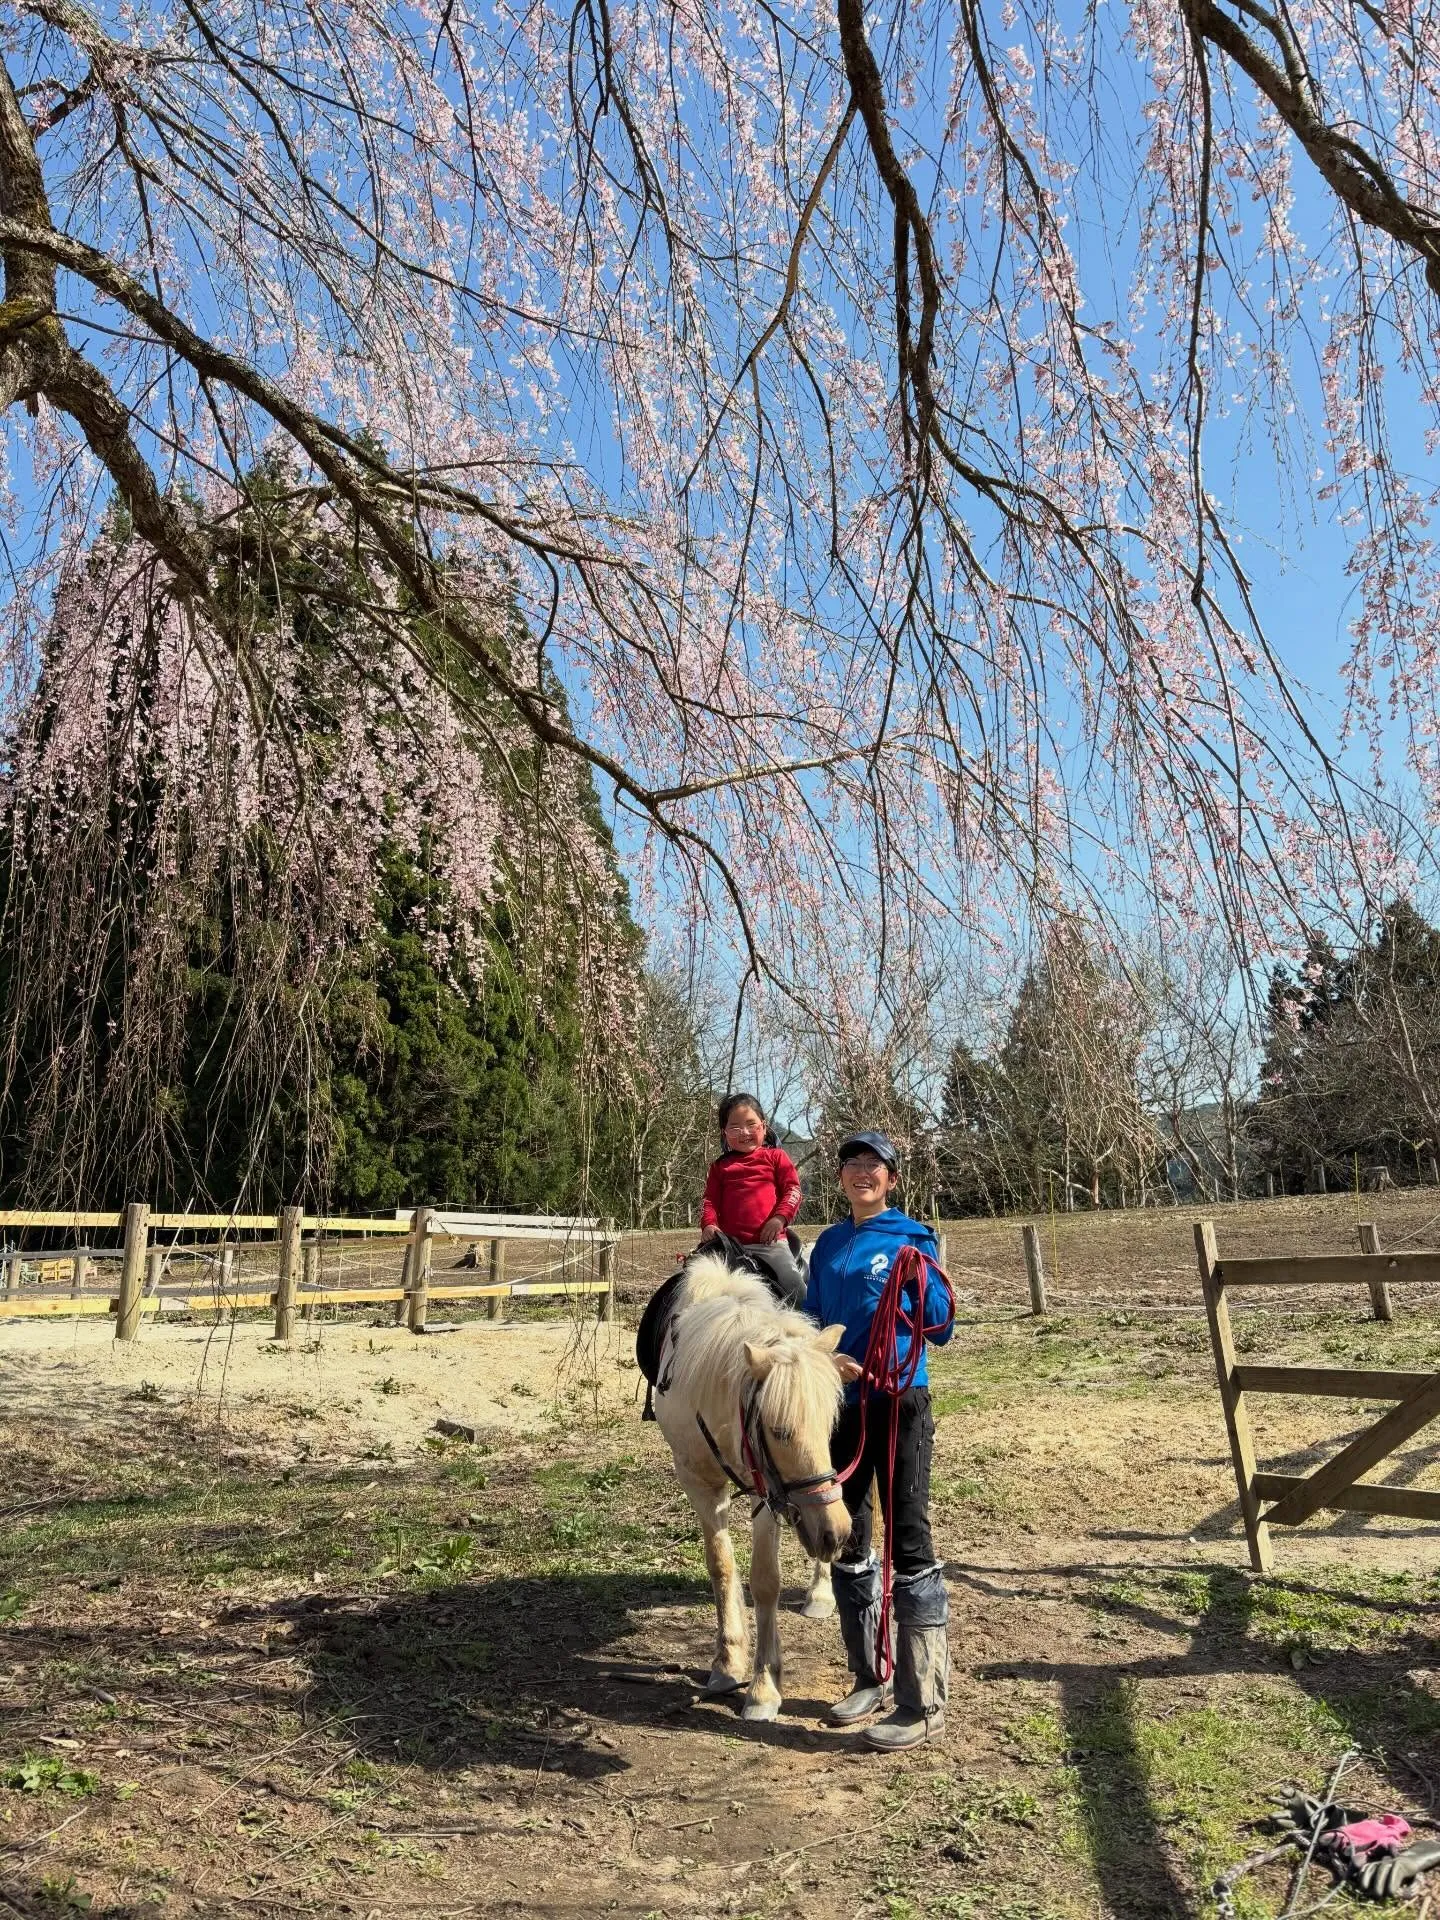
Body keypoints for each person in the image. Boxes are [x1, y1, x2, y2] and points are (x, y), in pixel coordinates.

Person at [804, 1130, 953, 1752]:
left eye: (874, 1164)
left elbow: (941, 1327)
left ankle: (923, 1702)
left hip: (899, 1401)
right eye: (851, 1164)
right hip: (844, 1405)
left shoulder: (913, 1238)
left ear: (890, 1178)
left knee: (908, 1535)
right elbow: (813, 1321)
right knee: (849, 1533)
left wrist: (922, 1283)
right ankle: (870, 1676)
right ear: (839, 1178)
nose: (861, 1173)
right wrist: (827, 1360)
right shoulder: (830, 1244)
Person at [698, 1093, 805, 1298]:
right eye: (735, 1127)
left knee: (794, 1285)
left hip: (769, 1244)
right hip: (728, 1245)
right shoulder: (720, 1167)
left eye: (751, 1124)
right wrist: (709, 1224)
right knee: (689, 1278)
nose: (744, 1132)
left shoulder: (776, 1157)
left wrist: (779, 1219)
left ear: (764, 1127)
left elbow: (793, 1190)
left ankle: (810, 1326)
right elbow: (709, 1201)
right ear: (725, 1133)